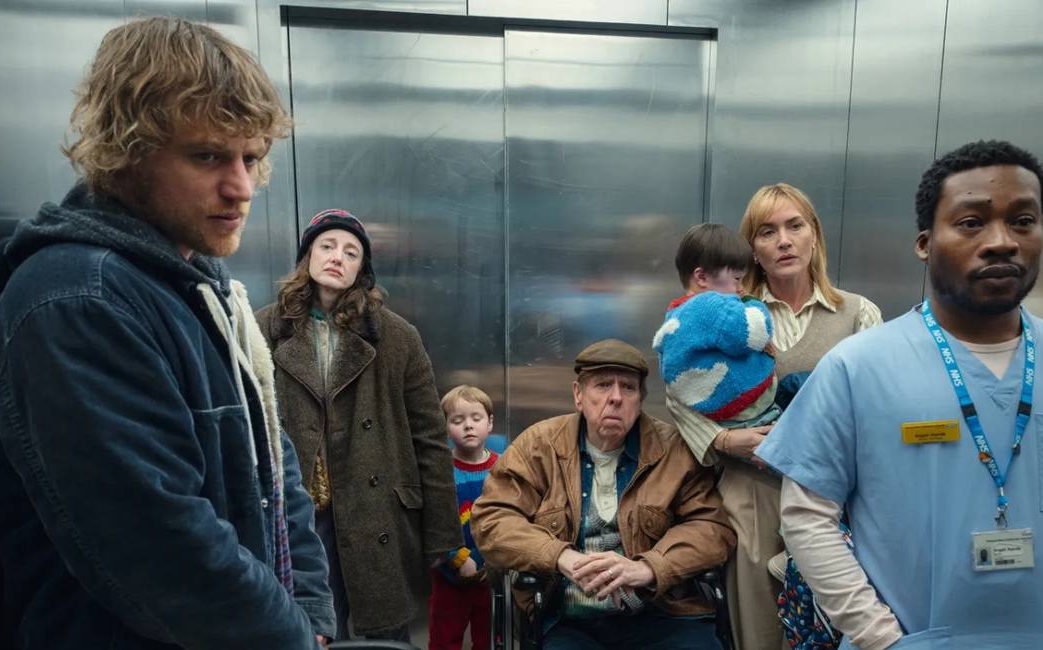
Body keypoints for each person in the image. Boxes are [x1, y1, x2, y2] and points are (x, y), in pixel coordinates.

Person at [0, 17, 332, 649]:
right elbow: (162, 548)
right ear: (129, 150)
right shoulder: (77, 301)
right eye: (207, 156)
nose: (242, 187)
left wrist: (314, 621)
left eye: (251, 157)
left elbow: (278, 474)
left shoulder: (198, 285)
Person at [757, 140, 1043, 650]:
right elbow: (808, 516)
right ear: (925, 243)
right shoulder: (859, 367)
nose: (1002, 241)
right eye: (971, 223)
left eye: (1023, 221)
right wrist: (881, 638)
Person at [665, 186, 882, 649]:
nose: (783, 240)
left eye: (794, 226)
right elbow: (681, 389)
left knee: (837, 628)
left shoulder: (858, 314)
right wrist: (724, 443)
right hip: (752, 492)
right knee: (759, 633)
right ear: (753, 250)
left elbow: (880, 406)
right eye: (767, 231)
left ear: (814, 237)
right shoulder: (729, 312)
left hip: (839, 500)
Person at [255, 208, 461, 640]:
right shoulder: (265, 328)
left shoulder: (396, 336)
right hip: (303, 513)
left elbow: (429, 438)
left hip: (377, 510)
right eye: (327, 246)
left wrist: (442, 534)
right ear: (307, 257)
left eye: (351, 252)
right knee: (309, 630)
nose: (337, 257)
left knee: (383, 635)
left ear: (361, 270)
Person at [472, 339, 736, 650]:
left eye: (628, 387)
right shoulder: (538, 447)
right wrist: (559, 556)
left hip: (663, 613)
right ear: (578, 395)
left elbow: (711, 527)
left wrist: (650, 567)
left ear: (639, 400)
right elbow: (492, 518)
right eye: (602, 385)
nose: (615, 398)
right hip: (569, 618)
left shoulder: (674, 451)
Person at [653, 223, 780, 431]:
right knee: (801, 384)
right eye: (737, 279)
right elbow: (753, 333)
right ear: (701, 277)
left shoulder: (675, 313)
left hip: (720, 416)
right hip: (750, 411)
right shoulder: (710, 306)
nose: (741, 288)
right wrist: (753, 303)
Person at [429, 385, 502, 650]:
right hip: (449, 577)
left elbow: (509, 518)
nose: (468, 426)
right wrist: (458, 559)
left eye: (476, 418)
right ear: (446, 427)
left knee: (489, 639)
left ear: (490, 423)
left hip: (491, 575)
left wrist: (487, 561)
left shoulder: (503, 468)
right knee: (444, 639)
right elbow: (434, 520)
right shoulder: (440, 472)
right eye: (458, 421)